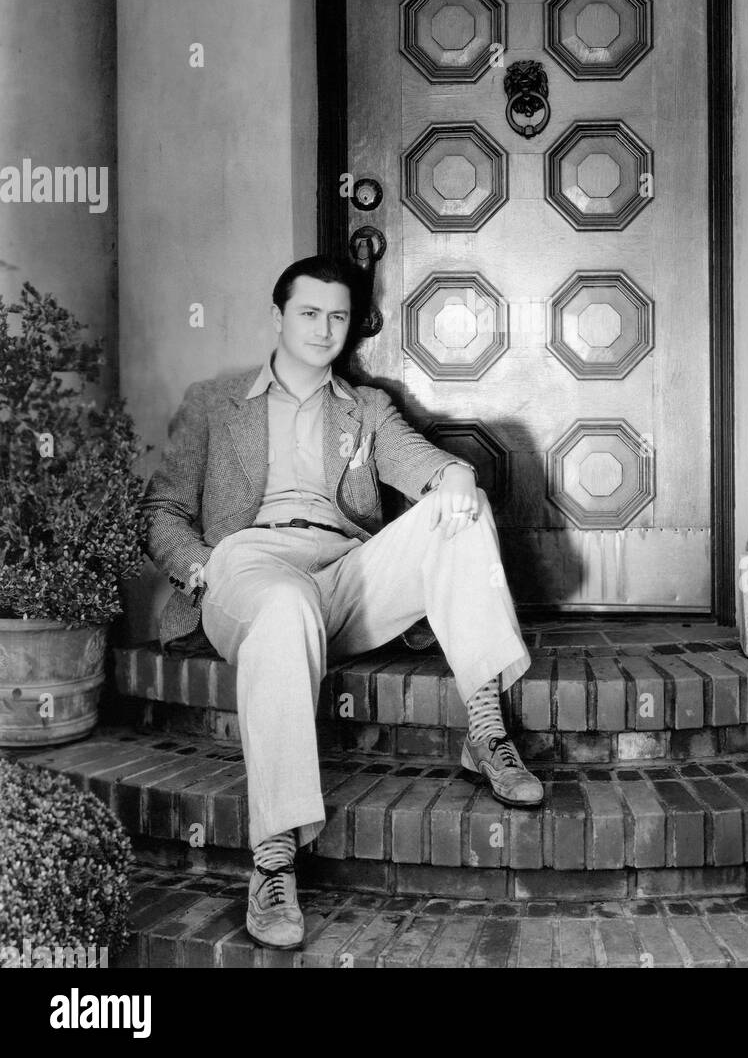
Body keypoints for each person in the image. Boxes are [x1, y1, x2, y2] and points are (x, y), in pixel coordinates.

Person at [140, 254, 541, 949]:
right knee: (285, 604)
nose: (324, 328)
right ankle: (273, 856)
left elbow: (415, 458)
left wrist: (452, 473)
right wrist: (198, 569)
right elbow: (163, 510)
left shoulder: (365, 407)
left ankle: (484, 727)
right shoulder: (214, 404)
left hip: (343, 575)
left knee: (461, 505)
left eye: (337, 316)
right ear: (278, 318)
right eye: (308, 313)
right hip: (250, 568)